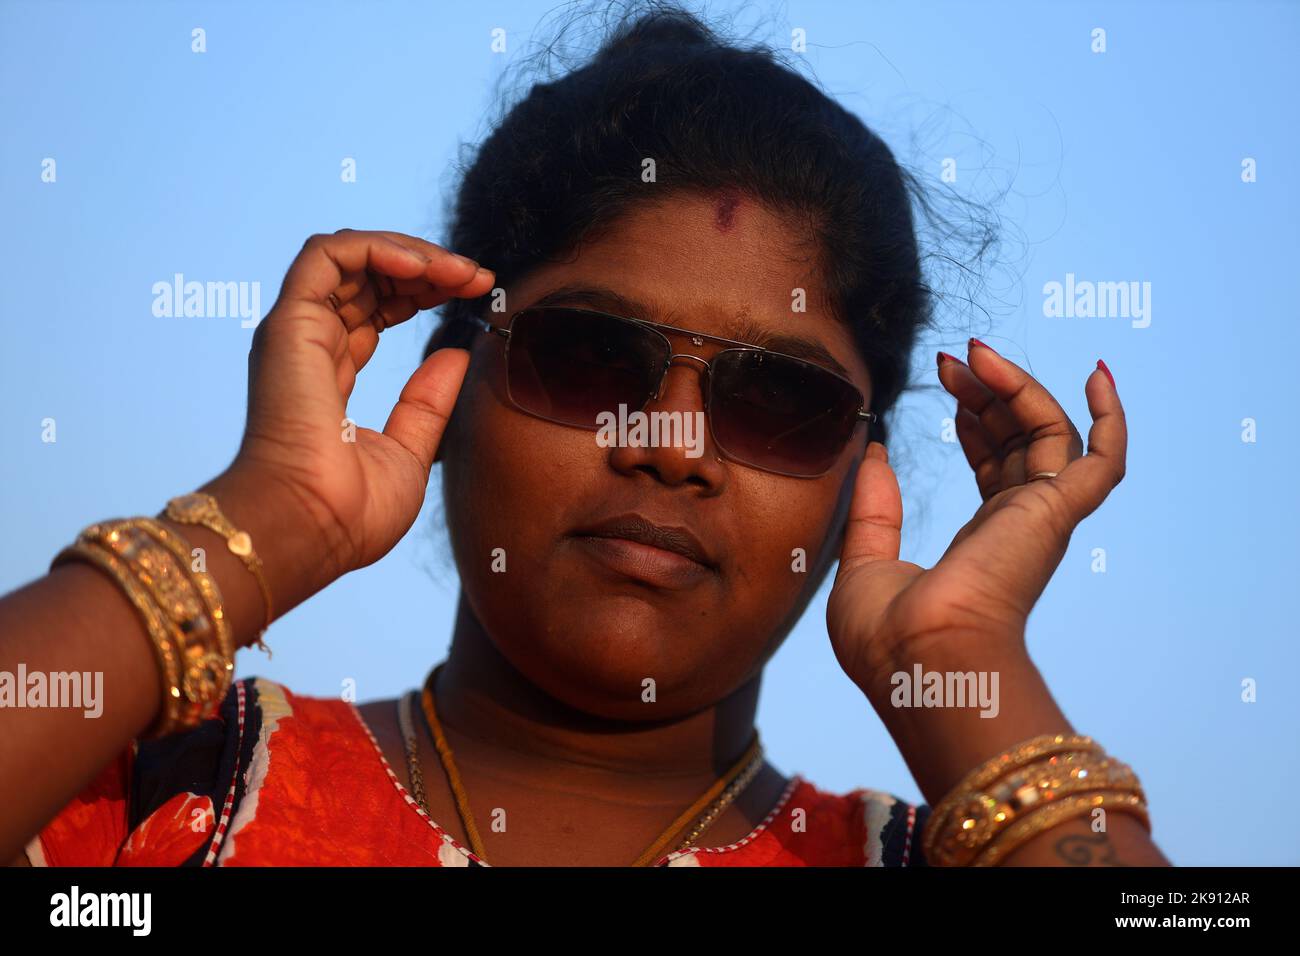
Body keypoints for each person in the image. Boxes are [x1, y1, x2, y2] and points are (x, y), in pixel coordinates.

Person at [1, 5, 1169, 868]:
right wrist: (262, 522)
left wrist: (961, 659)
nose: (670, 443)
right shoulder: (155, 795)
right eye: (589, 359)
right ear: (446, 383)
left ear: (859, 476)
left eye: (776, 400)